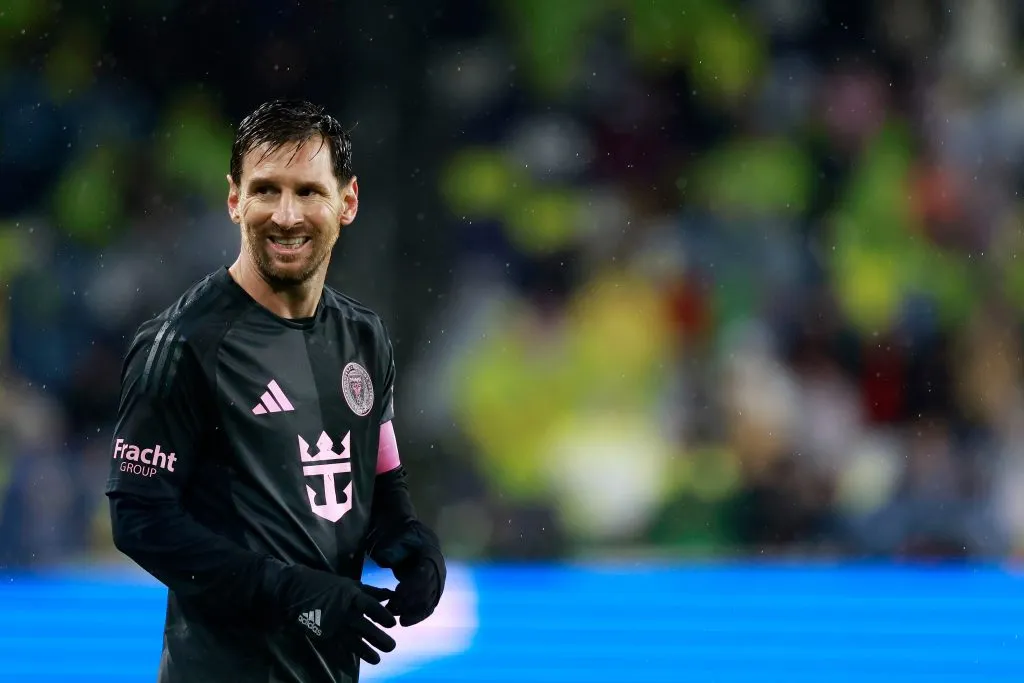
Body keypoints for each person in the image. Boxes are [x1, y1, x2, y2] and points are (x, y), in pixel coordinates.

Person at [106, 99, 446, 683]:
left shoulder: (364, 338)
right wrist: (289, 592)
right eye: (266, 190)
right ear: (234, 199)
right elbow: (139, 519)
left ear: (349, 202)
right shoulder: (182, 345)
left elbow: (380, 477)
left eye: (309, 191)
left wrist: (410, 542)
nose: (286, 215)